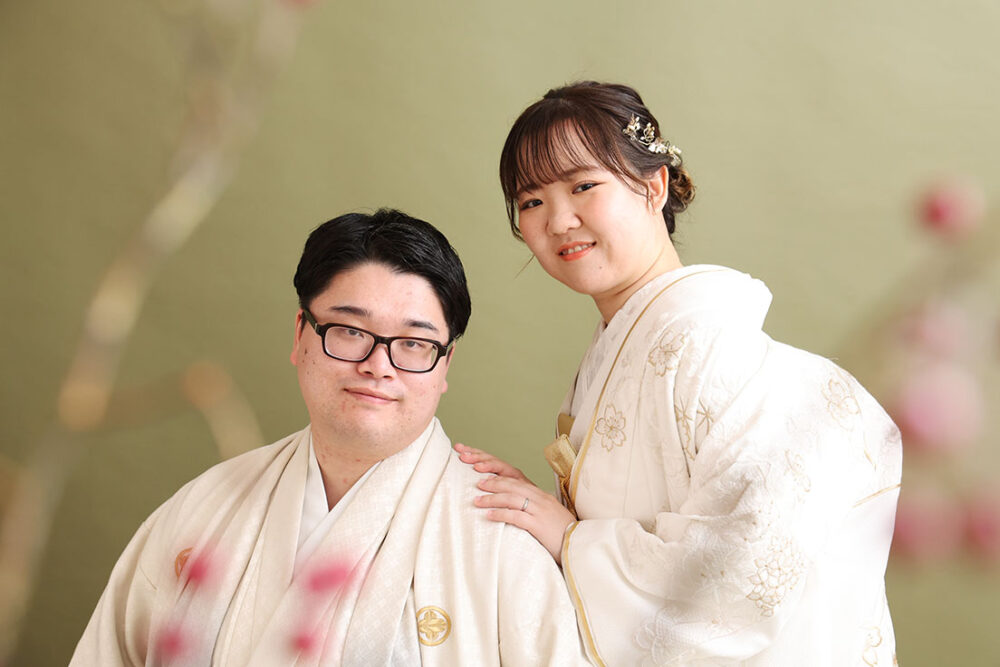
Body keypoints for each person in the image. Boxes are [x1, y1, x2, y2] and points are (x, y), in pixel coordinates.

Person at [456, 82, 902, 666]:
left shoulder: (712, 348)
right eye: (531, 201)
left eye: (583, 185)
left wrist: (571, 539)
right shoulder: (623, 348)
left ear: (654, 186)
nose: (559, 220)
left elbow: (741, 577)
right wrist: (538, 517)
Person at [72, 209, 589, 666]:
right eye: (350, 331)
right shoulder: (205, 507)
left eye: (414, 343)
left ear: (445, 364)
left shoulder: (500, 542)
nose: (378, 365)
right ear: (301, 333)